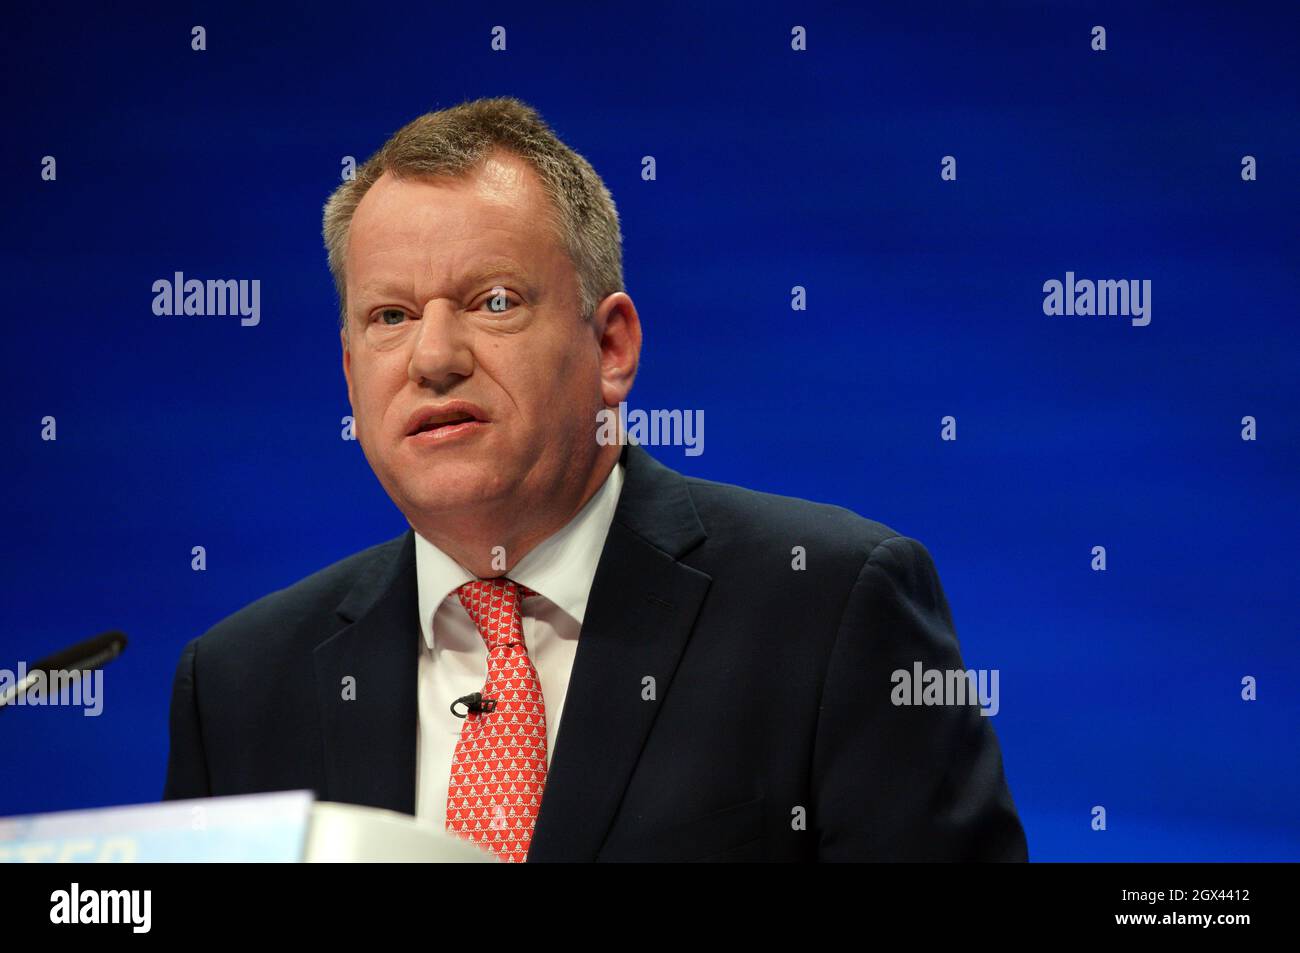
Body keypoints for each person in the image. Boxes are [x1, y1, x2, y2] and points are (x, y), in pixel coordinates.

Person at [163, 96, 1028, 862]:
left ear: (611, 347)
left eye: (494, 301)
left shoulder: (831, 606)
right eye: (390, 317)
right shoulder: (239, 686)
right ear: (352, 377)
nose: (432, 358)